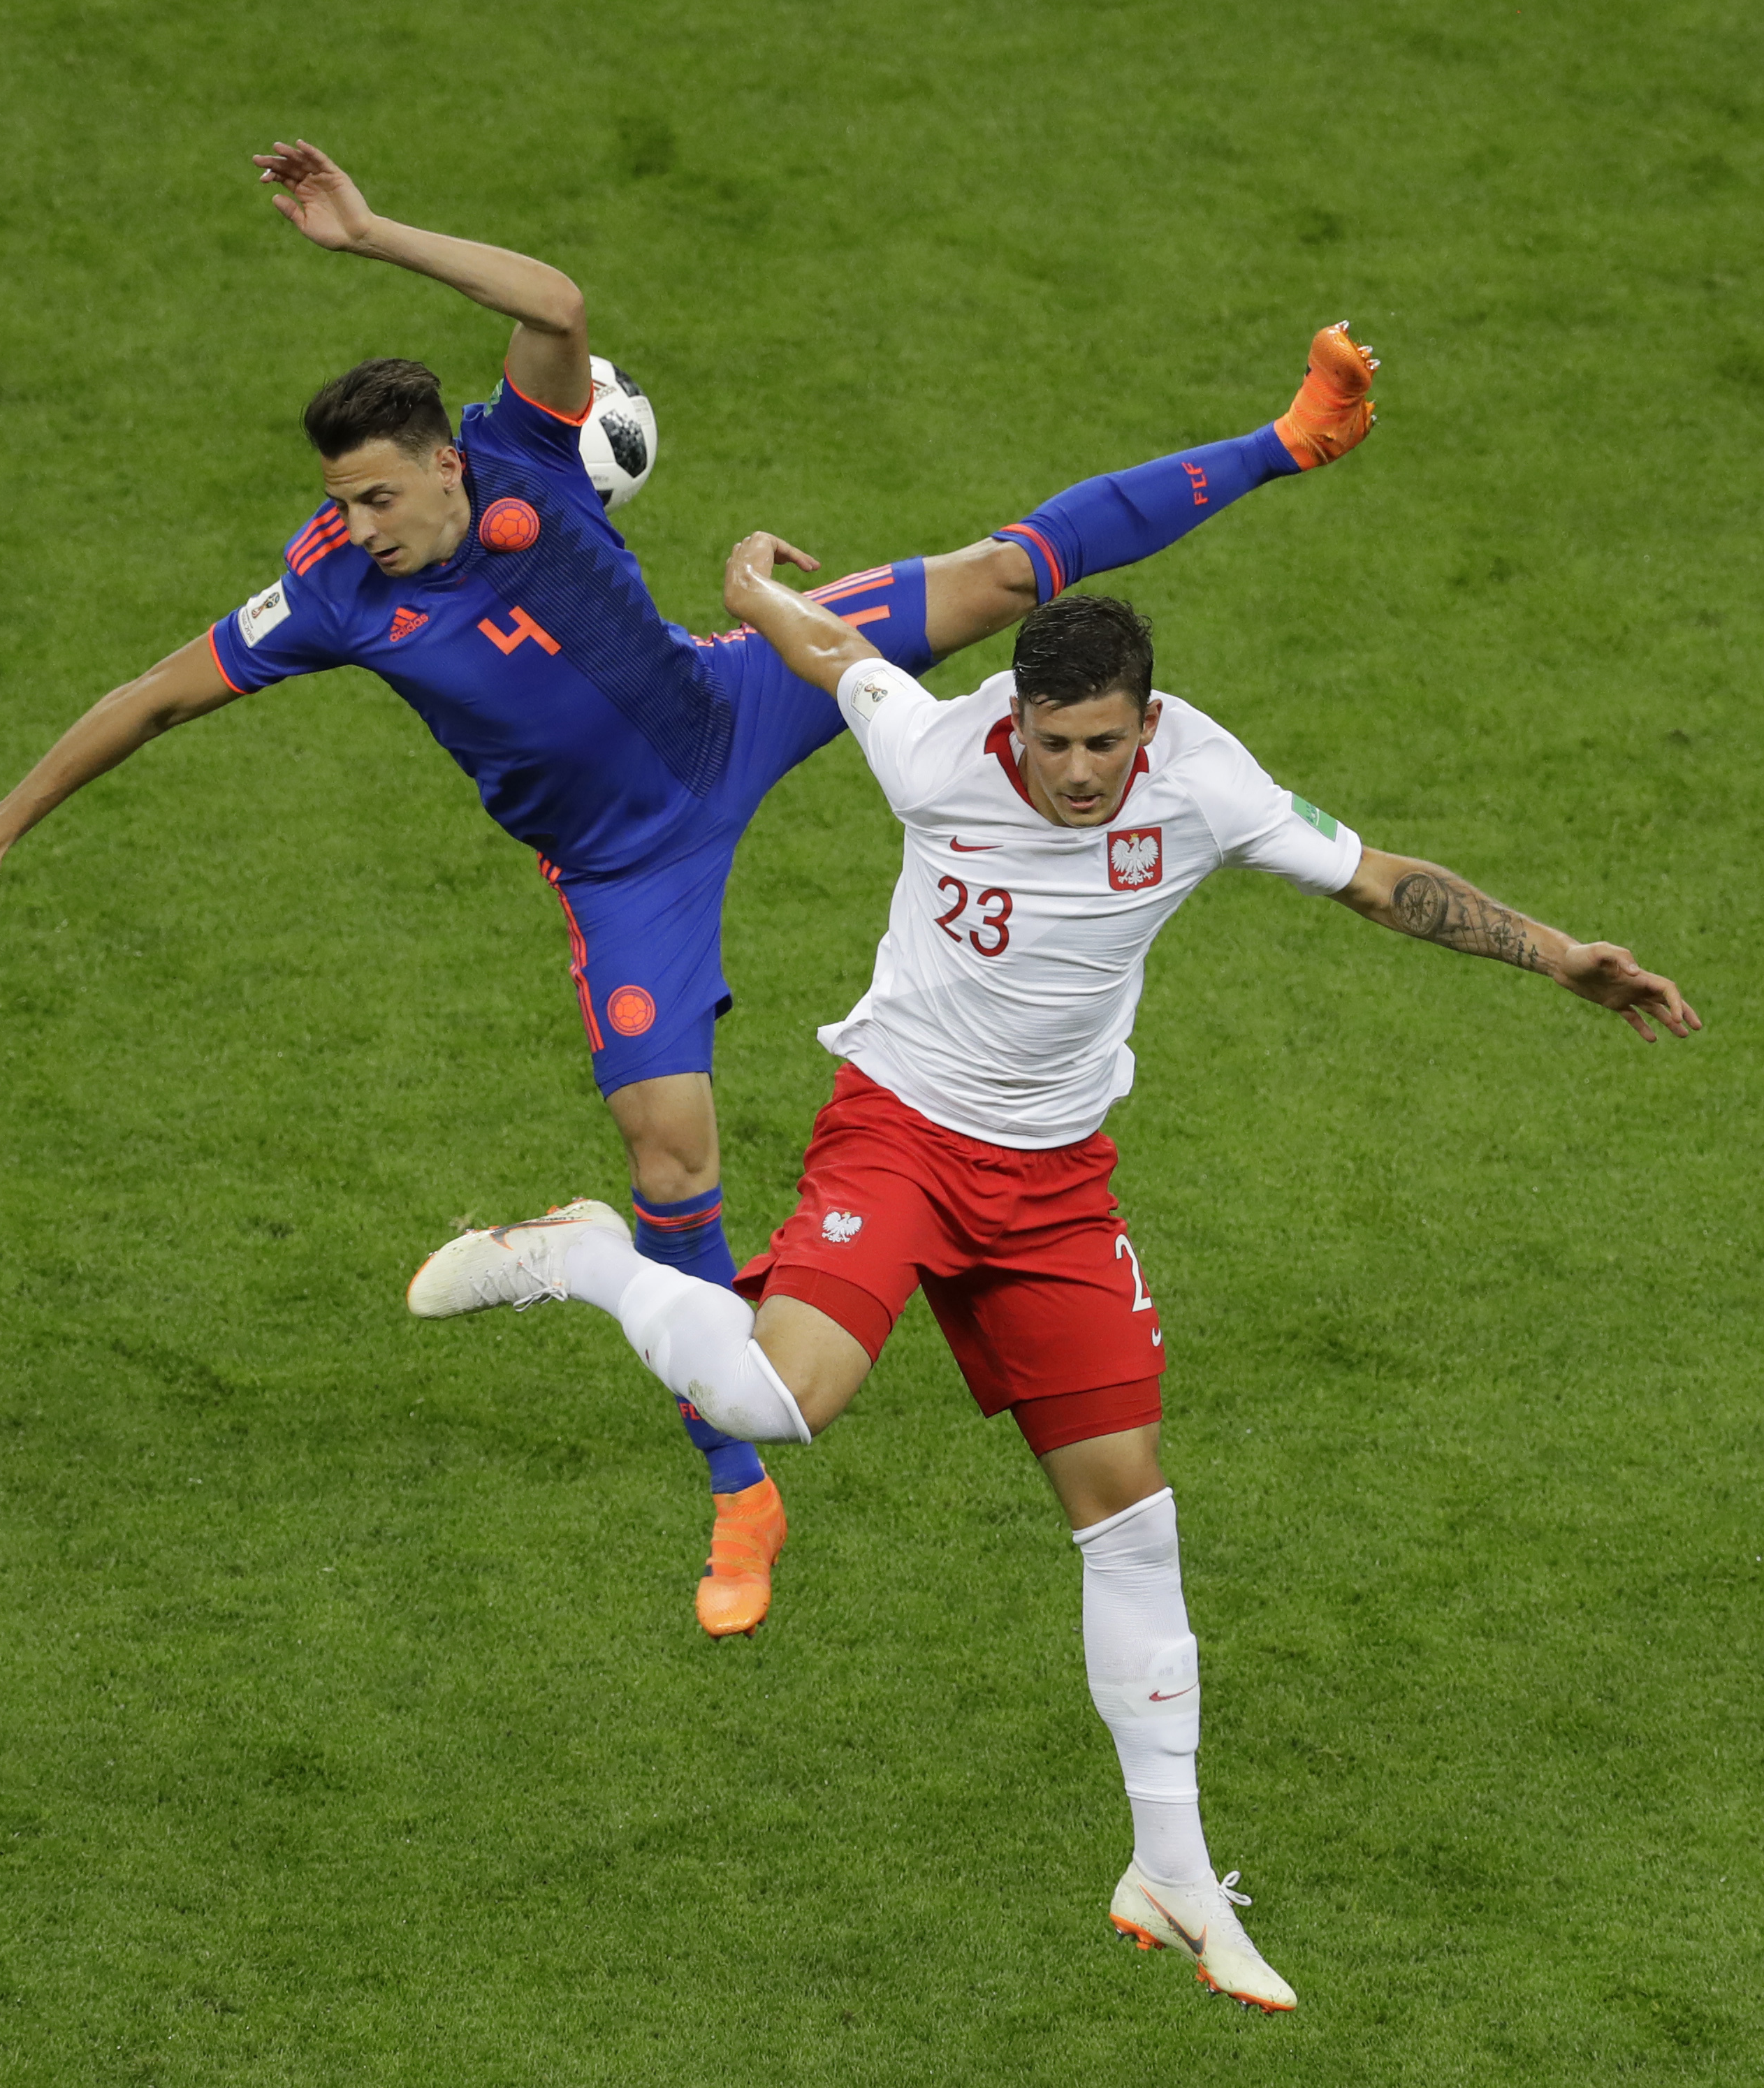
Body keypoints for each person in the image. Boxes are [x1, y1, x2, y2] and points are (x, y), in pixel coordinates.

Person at [0, 138, 1385, 1640]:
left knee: (1004, 575)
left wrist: (374, 231)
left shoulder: (519, 441)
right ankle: (738, 1486)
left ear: (448, 464)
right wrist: (1, 825)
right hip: (624, 863)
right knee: (669, 1151)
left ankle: (1286, 439)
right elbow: (155, 695)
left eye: (381, 497)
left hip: (730, 703)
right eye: (345, 501)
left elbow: (558, 301)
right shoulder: (328, 590)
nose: (360, 526)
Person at [405, 571, 1698, 2010]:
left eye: (1104, 744)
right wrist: (753, 589)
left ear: (1147, 726)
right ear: (1012, 716)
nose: (1076, 772)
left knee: (1131, 1516)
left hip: (1056, 1182)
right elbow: (841, 656)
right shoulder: (938, 749)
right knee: (774, 1399)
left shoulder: (1206, 782)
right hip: (897, 1131)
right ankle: (586, 1252)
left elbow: (1384, 881)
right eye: (1052, 739)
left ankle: (1171, 1869)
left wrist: (1563, 958)